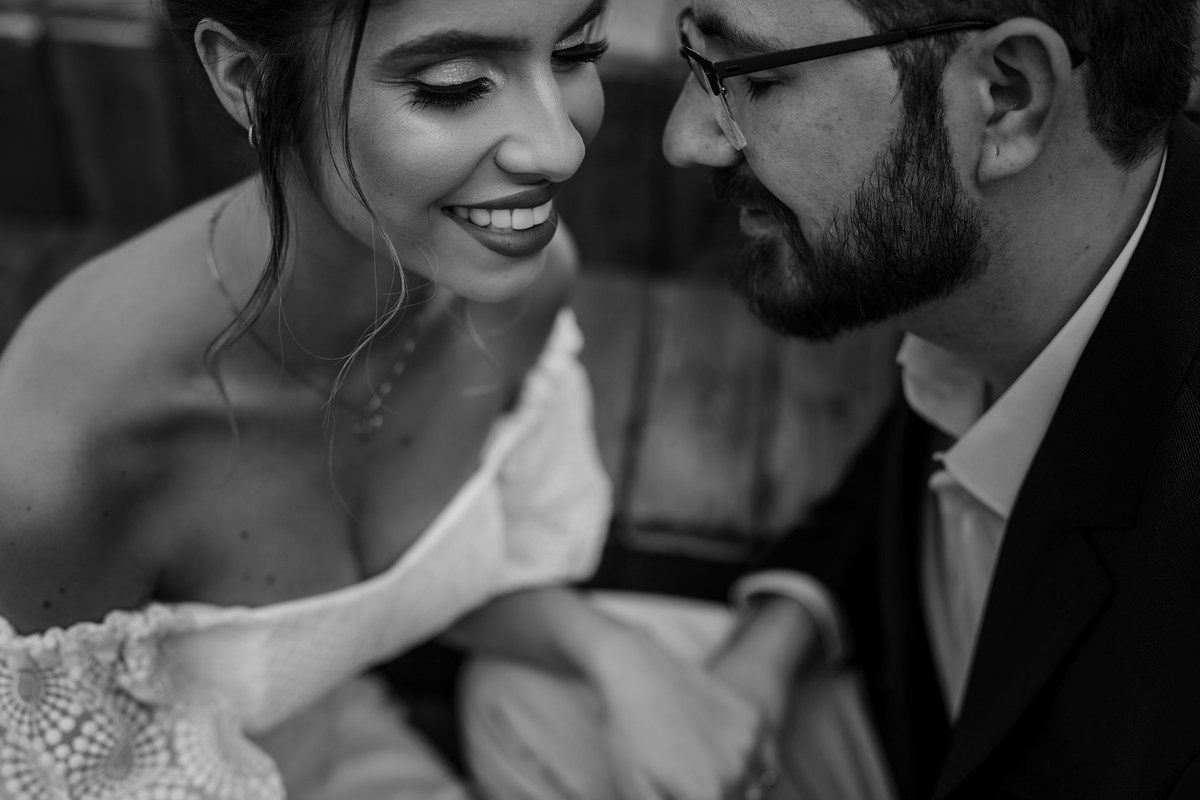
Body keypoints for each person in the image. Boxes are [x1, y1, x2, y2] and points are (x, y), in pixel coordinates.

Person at [0, 1, 774, 798]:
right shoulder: (68, 461)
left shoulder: (519, 292)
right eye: (456, 84)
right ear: (247, 79)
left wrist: (617, 655)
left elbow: (425, 588)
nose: (561, 146)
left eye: (576, 51)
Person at [466, 0, 1200, 798]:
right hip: (917, 732)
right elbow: (930, 452)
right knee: (536, 698)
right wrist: (772, 646)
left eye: (755, 76)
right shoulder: (992, 280)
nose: (685, 140)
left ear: (1006, 96)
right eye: (692, 62)